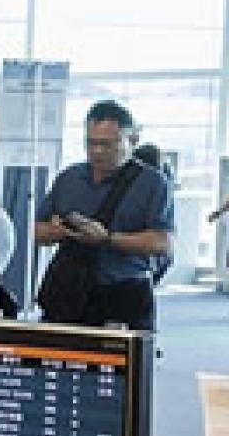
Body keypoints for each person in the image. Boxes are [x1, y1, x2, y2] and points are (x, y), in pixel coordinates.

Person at [35, 100, 173, 331]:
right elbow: (36, 231)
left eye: (108, 144)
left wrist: (108, 238)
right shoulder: (69, 178)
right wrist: (57, 231)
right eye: (91, 144)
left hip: (122, 292)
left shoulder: (153, 184)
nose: (97, 152)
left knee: (121, 364)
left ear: (132, 140)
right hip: (69, 291)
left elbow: (162, 242)